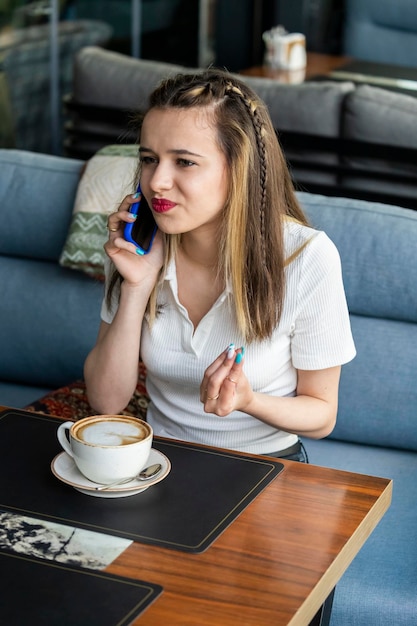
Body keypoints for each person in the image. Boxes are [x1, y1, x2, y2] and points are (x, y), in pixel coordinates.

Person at [84, 69, 356, 462]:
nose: (157, 181)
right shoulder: (135, 246)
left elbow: (322, 415)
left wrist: (247, 400)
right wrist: (136, 287)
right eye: (149, 159)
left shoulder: (306, 257)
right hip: (158, 461)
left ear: (239, 168)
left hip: (264, 466)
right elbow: (106, 401)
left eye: (184, 162)